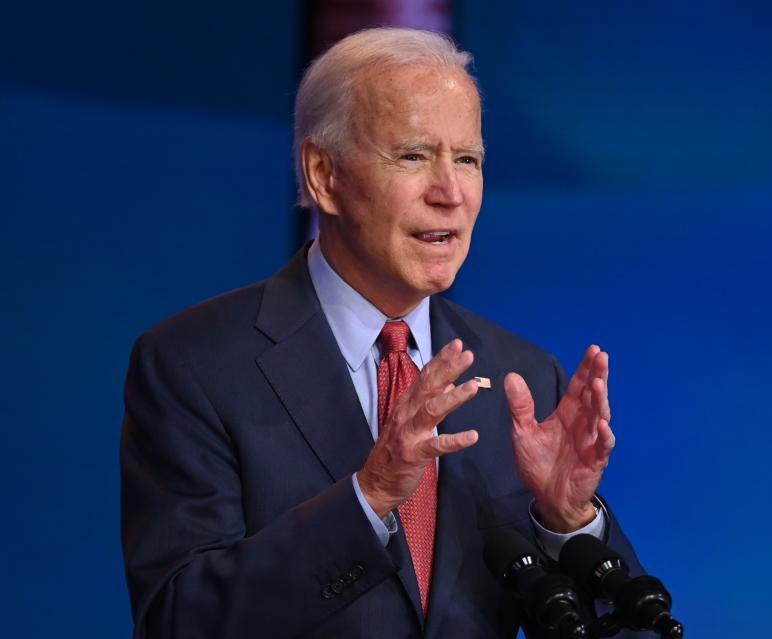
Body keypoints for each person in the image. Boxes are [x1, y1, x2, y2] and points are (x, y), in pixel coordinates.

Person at [121, 28, 648, 638]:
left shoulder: (522, 378)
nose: (449, 193)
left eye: (468, 160)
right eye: (413, 156)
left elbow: (628, 630)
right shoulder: (195, 365)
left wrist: (568, 520)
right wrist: (368, 498)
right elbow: (177, 622)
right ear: (323, 174)